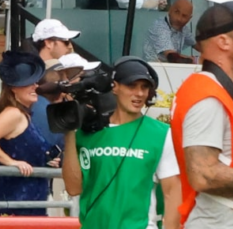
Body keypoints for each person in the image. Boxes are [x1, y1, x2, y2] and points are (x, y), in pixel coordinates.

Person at [64, 57, 181, 229]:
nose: (140, 93)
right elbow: (73, 188)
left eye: (144, 87)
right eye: (132, 86)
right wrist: (68, 131)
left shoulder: (162, 134)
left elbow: (172, 193)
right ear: (115, 87)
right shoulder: (88, 132)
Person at [173, 0, 233, 229]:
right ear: (224, 41)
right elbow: (203, 175)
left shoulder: (218, 91)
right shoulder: (206, 94)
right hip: (218, 220)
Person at [0, 50, 63, 216]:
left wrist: (46, 160)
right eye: (28, 83)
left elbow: (23, 150)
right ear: (14, 88)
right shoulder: (13, 113)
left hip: (28, 203)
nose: (35, 86)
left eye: (35, 82)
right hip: (14, 205)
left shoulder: (23, 114)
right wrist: (11, 162)